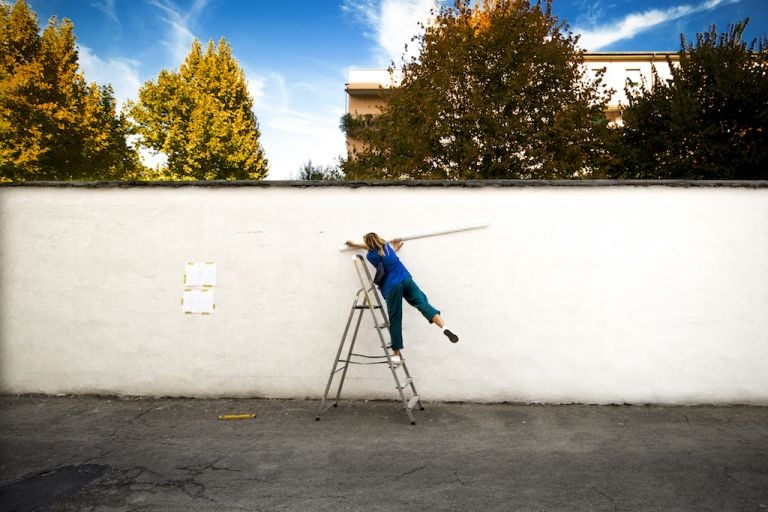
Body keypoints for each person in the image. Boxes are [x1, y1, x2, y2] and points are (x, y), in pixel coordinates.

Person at [345, 232, 458, 366]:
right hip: (406, 279)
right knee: (423, 303)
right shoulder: (387, 247)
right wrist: (395, 248)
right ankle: (444, 326)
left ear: (369, 244)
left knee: (395, 319)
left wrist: (353, 244)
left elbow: (370, 248)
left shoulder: (371, 256)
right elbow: (382, 250)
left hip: (392, 286)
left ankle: (396, 355)